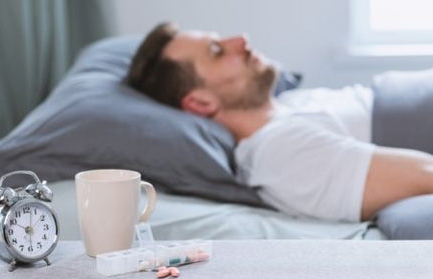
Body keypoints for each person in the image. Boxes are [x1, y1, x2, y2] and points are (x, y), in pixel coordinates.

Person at [127, 22, 433, 222]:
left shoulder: (288, 105)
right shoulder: (280, 153)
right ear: (201, 103)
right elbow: (425, 176)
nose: (241, 40)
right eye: (217, 51)